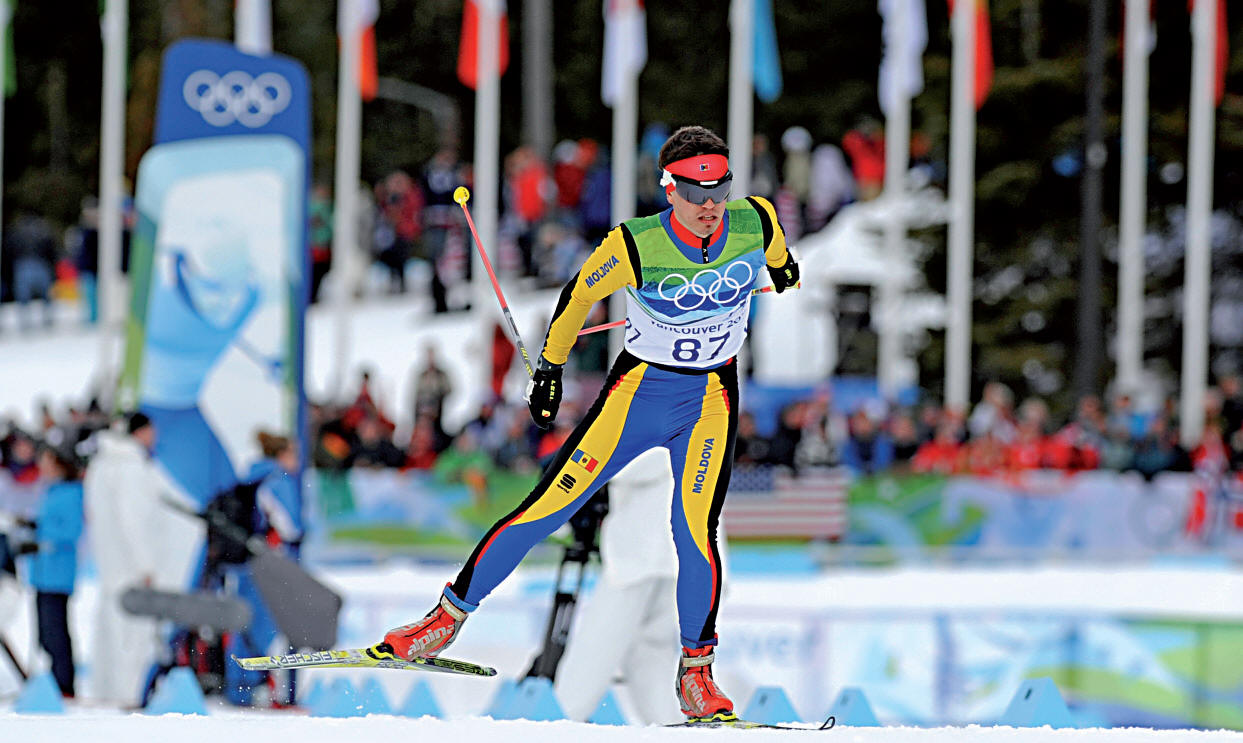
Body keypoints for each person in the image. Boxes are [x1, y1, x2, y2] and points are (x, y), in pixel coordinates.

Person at [380, 125, 799, 721]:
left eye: (718, 191)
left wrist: (783, 271)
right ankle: (442, 622)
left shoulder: (756, 219)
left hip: (710, 398)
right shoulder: (635, 244)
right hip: (639, 393)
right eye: (694, 192)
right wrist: (549, 371)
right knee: (544, 509)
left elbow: (780, 259)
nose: (709, 206)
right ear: (669, 189)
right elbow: (577, 299)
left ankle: (697, 675)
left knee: (695, 533)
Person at [25, 445, 84, 697]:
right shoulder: (50, 490)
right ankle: (53, 682)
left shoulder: (72, 492)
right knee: (45, 633)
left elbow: (70, 530)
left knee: (56, 631)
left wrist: (42, 537)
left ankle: (64, 684)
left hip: (58, 573)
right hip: (42, 573)